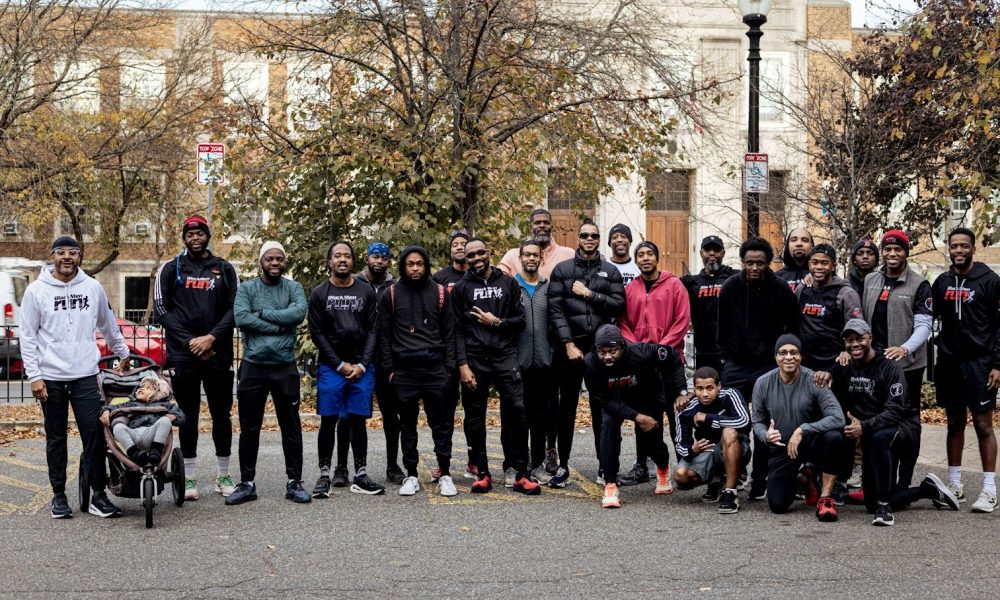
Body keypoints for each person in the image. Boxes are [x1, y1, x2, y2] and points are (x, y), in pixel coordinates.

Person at [21, 236, 132, 518]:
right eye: (61, 252)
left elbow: (108, 325)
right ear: (52, 256)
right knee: (56, 437)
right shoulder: (36, 291)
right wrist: (34, 376)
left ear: (79, 257)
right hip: (51, 377)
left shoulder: (92, 287)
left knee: (94, 435)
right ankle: (59, 496)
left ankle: (98, 495)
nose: (67, 257)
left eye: (73, 252)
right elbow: (27, 336)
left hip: (85, 375)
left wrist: (123, 353)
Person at [831, 319, 960, 525]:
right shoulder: (845, 366)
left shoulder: (889, 367)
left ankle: (884, 508)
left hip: (903, 428)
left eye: (860, 339)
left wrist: (863, 426)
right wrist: (824, 374)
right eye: (849, 340)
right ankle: (927, 489)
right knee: (870, 504)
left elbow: (894, 411)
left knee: (877, 437)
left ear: (870, 338)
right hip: (871, 432)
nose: (855, 344)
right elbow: (831, 384)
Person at [154, 214, 239, 501]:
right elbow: (162, 310)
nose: (195, 238)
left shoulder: (224, 269)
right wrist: (192, 342)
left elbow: (235, 309)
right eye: (189, 234)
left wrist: (211, 338)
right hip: (184, 354)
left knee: (221, 415)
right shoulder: (170, 269)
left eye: (200, 233)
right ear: (184, 238)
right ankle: (188, 478)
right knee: (188, 416)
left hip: (218, 352)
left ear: (207, 235)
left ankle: (223, 475)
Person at [453, 237, 541, 495]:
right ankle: (482, 472)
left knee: (517, 412)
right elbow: (456, 330)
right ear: (465, 259)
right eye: (471, 255)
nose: (477, 258)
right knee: (475, 418)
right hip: (475, 360)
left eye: (481, 253)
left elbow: (520, 322)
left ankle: (520, 473)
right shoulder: (460, 289)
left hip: (504, 356)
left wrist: (496, 322)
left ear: (489, 253)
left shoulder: (507, 283)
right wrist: (462, 365)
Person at [228, 241, 311, 506]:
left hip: (284, 366)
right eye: (269, 259)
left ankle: (294, 482)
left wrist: (263, 314)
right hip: (253, 365)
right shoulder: (247, 288)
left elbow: (298, 313)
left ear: (284, 262)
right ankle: (247, 483)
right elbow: (241, 318)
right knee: (249, 427)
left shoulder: (294, 287)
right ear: (261, 261)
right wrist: (278, 325)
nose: (275, 263)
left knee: (291, 426)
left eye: (279, 259)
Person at [717, 237, 799, 500]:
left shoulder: (780, 289)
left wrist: (780, 358)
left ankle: (760, 480)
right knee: (734, 424)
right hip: (737, 366)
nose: (754, 268)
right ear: (742, 263)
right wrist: (727, 359)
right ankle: (735, 473)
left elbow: (793, 327)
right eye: (749, 263)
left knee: (764, 424)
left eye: (760, 263)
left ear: (768, 263)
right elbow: (722, 327)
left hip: (767, 366)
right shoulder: (730, 287)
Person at [547, 220, 626, 487]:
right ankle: (563, 466)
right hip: (569, 350)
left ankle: (605, 467)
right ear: (578, 239)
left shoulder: (610, 271)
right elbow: (556, 310)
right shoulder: (562, 270)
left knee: (601, 410)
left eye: (594, 235)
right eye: (584, 235)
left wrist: (590, 293)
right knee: (565, 410)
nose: (589, 239)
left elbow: (618, 306)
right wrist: (568, 343)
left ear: (599, 239)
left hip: (600, 353)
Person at [378, 245, 458, 497]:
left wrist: (448, 368)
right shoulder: (390, 293)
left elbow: (451, 333)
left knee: (440, 424)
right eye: (410, 264)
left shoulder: (441, 292)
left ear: (426, 266)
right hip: (404, 371)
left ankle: (445, 473)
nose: (415, 268)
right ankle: (411, 475)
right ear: (402, 266)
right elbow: (384, 336)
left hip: (435, 369)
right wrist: (390, 369)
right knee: (407, 425)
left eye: (419, 264)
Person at [931, 227, 1000, 513]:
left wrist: (997, 363)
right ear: (948, 248)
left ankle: (989, 489)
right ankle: (954, 484)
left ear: (972, 248)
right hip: (949, 362)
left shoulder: (990, 280)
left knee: (983, 425)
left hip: (980, 362)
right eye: (954, 246)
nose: (958, 250)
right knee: (954, 423)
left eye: (964, 246)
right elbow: (928, 316)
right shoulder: (942, 282)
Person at [308, 241, 384, 498]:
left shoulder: (366, 291)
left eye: (347, 256)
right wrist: (339, 365)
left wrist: (363, 364)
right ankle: (324, 476)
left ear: (353, 262)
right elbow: (317, 333)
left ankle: (360, 475)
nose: (342, 259)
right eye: (337, 256)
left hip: (362, 367)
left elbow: (374, 330)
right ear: (329, 262)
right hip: (332, 368)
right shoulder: (320, 293)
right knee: (328, 421)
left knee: (358, 421)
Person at [860, 229, 931, 489]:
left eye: (898, 249)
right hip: (876, 365)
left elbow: (924, 326)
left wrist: (905, 348)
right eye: (888, 249)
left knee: (908, 424)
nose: (892, 254)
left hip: (907, 366)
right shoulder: (870, 280)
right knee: (877, 420)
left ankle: (904, 481)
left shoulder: (918, 283)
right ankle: (880, 479)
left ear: (906, 252)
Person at [584, 325, 686, 508]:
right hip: (615, 399)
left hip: (647, 395)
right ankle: (610, 484)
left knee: (652, 438)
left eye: (613, 351)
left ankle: (663, 468)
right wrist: (636, 417)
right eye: (602, 352)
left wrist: (682, 390)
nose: (607, 356)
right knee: (607, 428)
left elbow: (673, 357)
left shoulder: (642, 352)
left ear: (623, 347)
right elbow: (603, 399)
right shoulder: (590, 362)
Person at [618, 240, 690, 487]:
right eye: (641, 255)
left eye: (650, 254)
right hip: (642, 365)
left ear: (657, 258)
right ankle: (642, 465)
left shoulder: (674, 285)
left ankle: (683, 464)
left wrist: (661, 349)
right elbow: (623, 323)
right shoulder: (631, 289)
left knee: (676, 415)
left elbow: (682, 321)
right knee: (646, 418)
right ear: (636, 260)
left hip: (670, 362)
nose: (645, 258)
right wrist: (638, 350)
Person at [752, 335, 845, 521]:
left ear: (800, 356)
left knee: (834, 437)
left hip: (812, 444)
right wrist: (766, 435)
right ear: (776, 357)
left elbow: (838, 418)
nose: (788, 357)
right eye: (783, 353)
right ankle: (804, 477)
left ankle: (825, 498)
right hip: (783, 448)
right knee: (778, 505)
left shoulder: (813, 379)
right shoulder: (763, 383)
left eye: (794, 352)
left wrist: (803, 429)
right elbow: (757, 421)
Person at [357, 241, 404, 485]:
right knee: (353, 415)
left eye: (384, 258)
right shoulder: (356, 283)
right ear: (367, 258)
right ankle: (348, 467)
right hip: (360, 358)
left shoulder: (394, 287)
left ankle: (392, 465)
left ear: (388, 262)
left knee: (391, 415)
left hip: (387, 358)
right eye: (375, 256)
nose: (379, 261)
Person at [674, 367, 751, 514]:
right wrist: (692, 450)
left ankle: (730, 492)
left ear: (719, 386)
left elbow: (744, 421)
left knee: (729, 432)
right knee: (681, 475)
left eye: (710, 388)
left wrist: (708, 418)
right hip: (707, 451)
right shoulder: (686, 408)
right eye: (699, 388)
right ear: (694, 389)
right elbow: (681, 444)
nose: (705, 394)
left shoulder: (730, 395)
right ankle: (715, 481)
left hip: (737, 448)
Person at [432, 230, 476, 481]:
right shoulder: (439, 279)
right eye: (455, 244)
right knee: (444, 413)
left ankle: (473, 460)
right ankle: (443, 463)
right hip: (446, 354)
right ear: (450, 250)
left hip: (473, 351)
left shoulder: (478, 278)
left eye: (464, 244)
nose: (460, 248)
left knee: (473, 412)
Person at [514, 240, 558, 483]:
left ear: (541, 259)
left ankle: (539, 462)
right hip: (519, 362)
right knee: (520, 416)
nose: (531, 258)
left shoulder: (548, 287)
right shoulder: (511, 287)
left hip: (544, 363)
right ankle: (519, 462)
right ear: (520, 258)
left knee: (541, 416)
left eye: (535, 255)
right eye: (526, 254)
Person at [795, 244, 862, 379]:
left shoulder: (846, 293)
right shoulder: (802, 289)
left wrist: (847, 351)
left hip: (835, 365)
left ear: (833, 266)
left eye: (824, 263)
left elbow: (857, 327)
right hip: (805, 365)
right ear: (809, 265)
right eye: (815, 262)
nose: (819, 267)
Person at [681, 235, 738, 373]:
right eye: (707, 250)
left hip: (731, 352)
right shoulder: (693, 283)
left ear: (723, 253)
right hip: (703, 352)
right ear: (701, 253)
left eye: (716, 250)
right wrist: (680, 283)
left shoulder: (734, 279)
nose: (712, 253)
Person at [103, 374, 184, 468]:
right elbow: (112, 407)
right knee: (118, 427)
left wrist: (174, 417)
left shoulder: (164, 404)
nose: (142, 389)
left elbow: (181, 415)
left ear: (157, 393)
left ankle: (156, 451)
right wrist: (106, 411)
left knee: (165, 421)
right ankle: (134, 454)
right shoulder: (130, 404)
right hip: (133, 435)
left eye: (148, 388)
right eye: (141, 387)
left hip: (153, 434)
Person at [498, 208, 575, 279]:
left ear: (551, 226)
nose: (542, 226)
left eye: (546, 222)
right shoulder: (512, 256)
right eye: (537, 223)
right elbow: (497, 281)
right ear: (530, 227)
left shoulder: (569, 255)